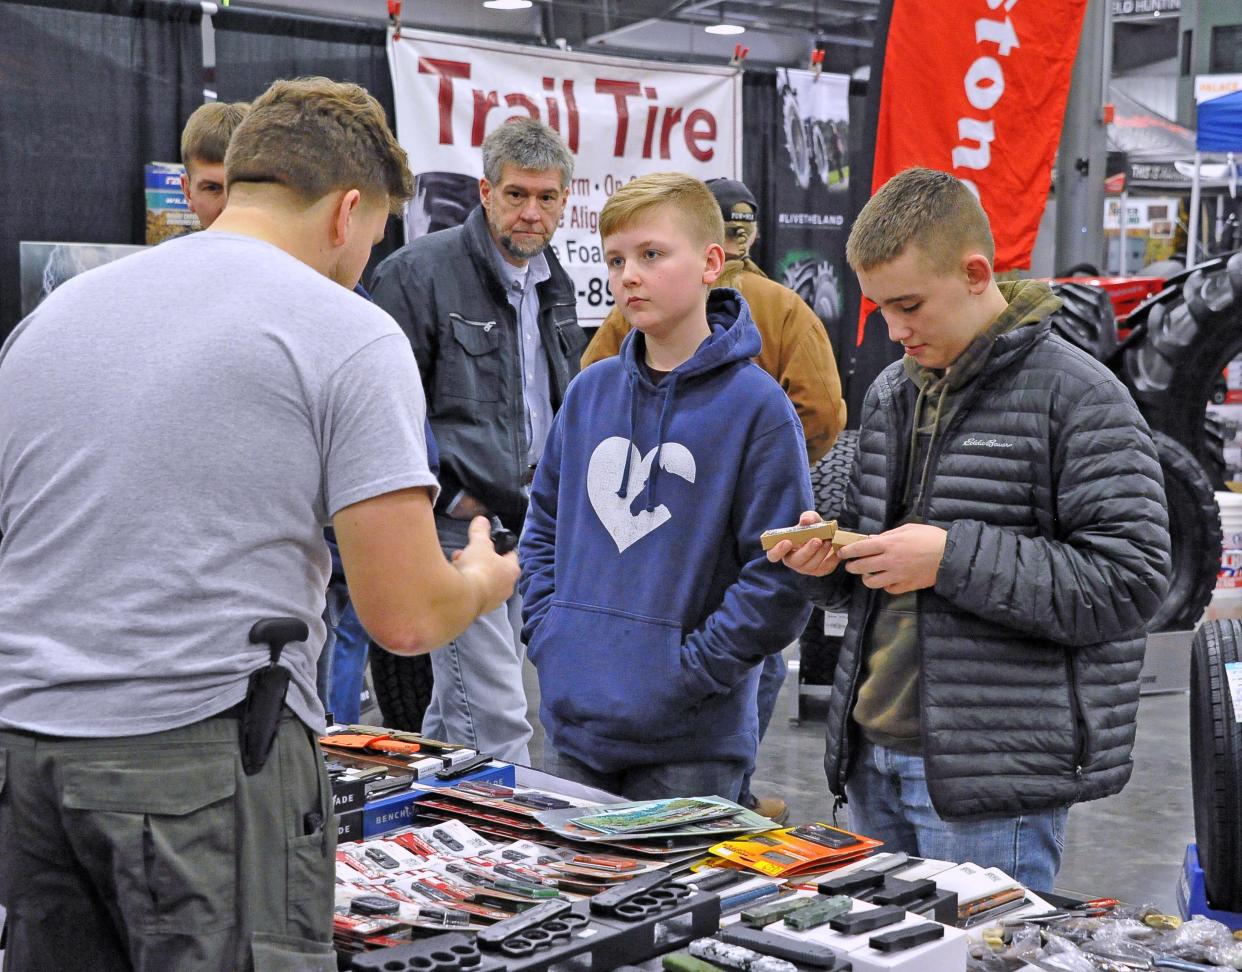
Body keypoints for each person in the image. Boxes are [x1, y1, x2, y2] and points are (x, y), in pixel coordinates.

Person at [0, 77, 518, 970]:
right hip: (196, 760)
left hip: (26, 755)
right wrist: (482, 578)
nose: (365, 263)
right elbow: (403, 616)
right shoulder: (346, 332)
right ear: (348, 210)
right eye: (373, 238)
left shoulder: (57, 315)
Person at [767, 167, 1170, 891]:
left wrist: (950, 558)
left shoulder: (1079, 396)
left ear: (977, 272)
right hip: (869, 755)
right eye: (880, 309)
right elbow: (877, 568)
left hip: (992, 778)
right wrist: (827, 563)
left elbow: (1131, 582)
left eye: (910, 305)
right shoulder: (892, 391)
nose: (894, 331)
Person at [519, 172, 813, 802]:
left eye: (652, 255)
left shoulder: (757, 410)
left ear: (712, 262)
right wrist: (551, 636)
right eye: (617, 259)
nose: (629, 275)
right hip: (574, 730)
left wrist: (692, 671)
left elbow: (779, 576)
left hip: (691, 748)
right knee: (573, 898)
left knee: (677, 904)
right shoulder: (588, 393)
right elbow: (541, 526)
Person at [581, 175, 846, 823]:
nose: (632, 274)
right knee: (748, 679)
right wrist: (764, 473)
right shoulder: (784, 308)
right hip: (735, 553)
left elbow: (588, 400)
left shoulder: (632, 315)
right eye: (621, 261)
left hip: (635, 562)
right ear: (746, 234)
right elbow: (824, 411)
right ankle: (736, 797)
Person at [370, 118, 584, 764]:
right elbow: (384, 412)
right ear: (485, 193)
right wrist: (451, 494)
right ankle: (495, 856)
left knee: (459, 706)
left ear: (564, 202)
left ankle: (439, 832)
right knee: (496, 719)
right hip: (460, 530)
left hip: (535, 528)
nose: (531, 212)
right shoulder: (418, 275)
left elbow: (555, 402)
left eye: (546, 198)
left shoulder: (556, 284)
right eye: (516, 194)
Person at [179, 99, 250, 229]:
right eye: (212, 188)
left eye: (243, 188)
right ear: (188, 192)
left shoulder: (294, 248)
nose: (227, 209)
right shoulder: (171, 250)